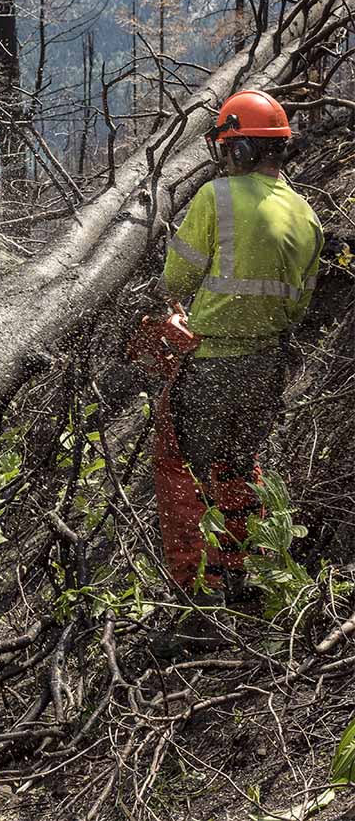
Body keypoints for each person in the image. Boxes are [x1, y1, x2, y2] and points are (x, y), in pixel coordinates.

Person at [153, 89, 323, 627]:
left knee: (182, 474)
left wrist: (180, 301)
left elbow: (176, 279)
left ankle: (198, 601)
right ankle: (248, 577)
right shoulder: (308, 216)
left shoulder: (216, 197)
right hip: (268, 367)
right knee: (236, 468)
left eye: (228, 149)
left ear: (241, 151)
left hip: (212, 364)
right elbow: (299, 306)